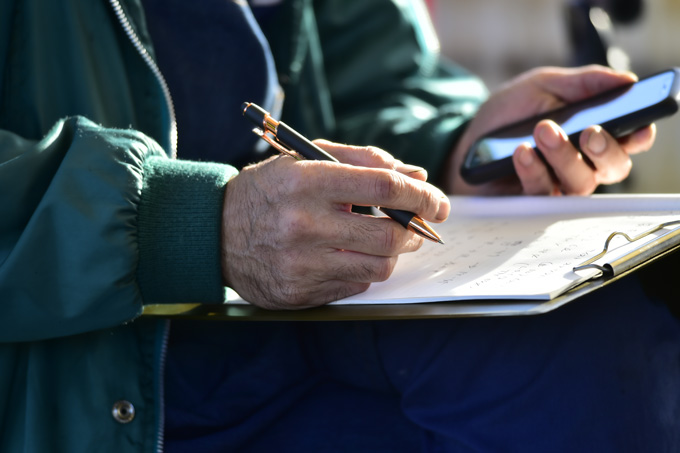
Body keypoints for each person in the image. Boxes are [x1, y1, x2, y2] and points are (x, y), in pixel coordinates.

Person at [0, 0, 677, 452]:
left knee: (607, 336)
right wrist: (179, 223)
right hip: (85, 367)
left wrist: (457, 150)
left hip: (299, 318)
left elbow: (374, 82)